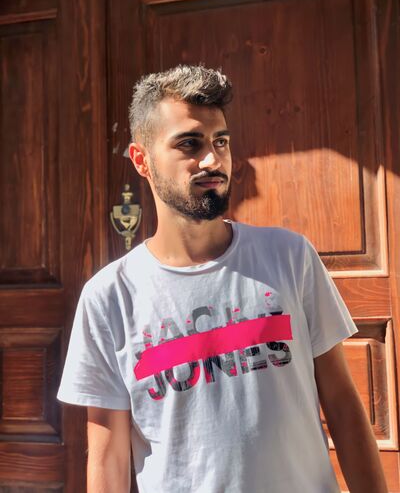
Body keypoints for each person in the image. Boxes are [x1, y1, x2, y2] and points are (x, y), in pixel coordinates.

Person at [57, 64, 388, 493]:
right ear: (142, 160)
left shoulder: (289, 256)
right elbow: (109, 458)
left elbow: (342, 405)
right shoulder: (109, 297)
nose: (213, 160)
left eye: (221, 142)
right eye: (189, 143)